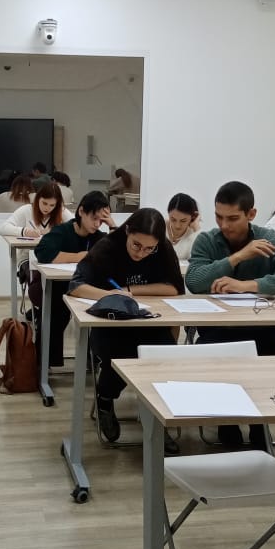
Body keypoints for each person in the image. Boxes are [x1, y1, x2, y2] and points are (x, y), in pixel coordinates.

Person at [185, 181, 275, 450]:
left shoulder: (271, 240)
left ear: (251, 214)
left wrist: (247, 285)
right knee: (213, 358)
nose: (224, 225)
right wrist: (237, 257)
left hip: (263, 332)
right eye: (219, 217)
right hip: (217, 333)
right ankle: (228, 422)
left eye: (232, 218)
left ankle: (258, 422)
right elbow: (194, 281)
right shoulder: (207, 240)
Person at [68, 208, 185, 452]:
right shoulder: (107, 247)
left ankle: (157, 421)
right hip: (111, 324)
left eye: (149, 249)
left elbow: (174, 288)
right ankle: (105, 399)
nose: (141, 253)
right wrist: (110, 295)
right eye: (136, 245)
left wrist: (130, 291)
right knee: (124, 354)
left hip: (147, 322)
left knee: (162, 356)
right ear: (128, 231)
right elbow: (76, 286)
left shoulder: (162, 248)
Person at [32, 191, 116, 368]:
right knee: (56, 314)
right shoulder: (62, 231)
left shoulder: (98, 237)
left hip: (87, 289)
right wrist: (80, 256)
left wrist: (112, 225)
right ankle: (43, 364)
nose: (97, 224)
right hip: (57, 287)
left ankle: (94, 360)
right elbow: (43, 252)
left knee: (104, 313)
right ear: (81, 211)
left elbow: (118, 254)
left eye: (101, 221)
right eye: (94, 218)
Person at [166, 192, 201, 261]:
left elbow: (197, 261)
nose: (177, 226)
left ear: (193, 217)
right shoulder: (159, 227)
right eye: (173, 219)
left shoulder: (194, 234)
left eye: (183, 221)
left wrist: (197, 228)